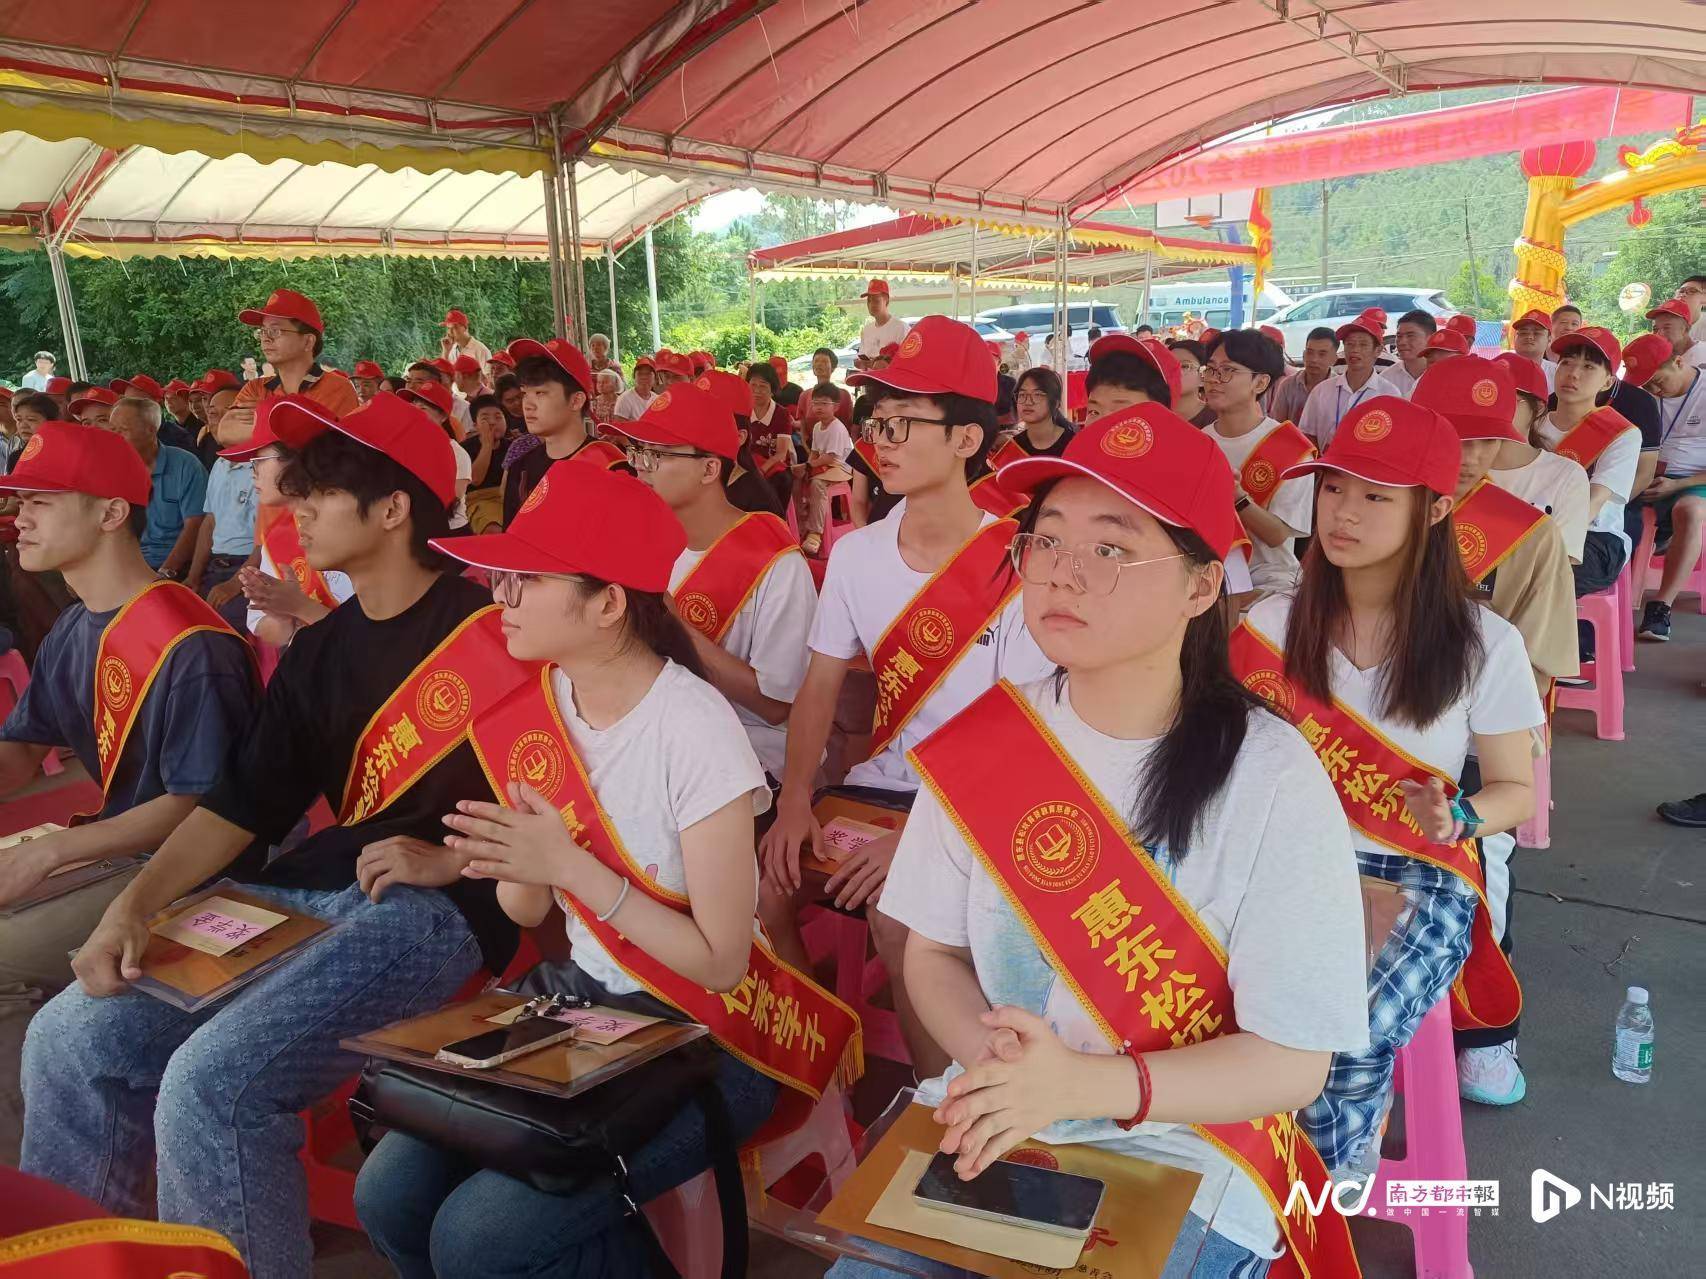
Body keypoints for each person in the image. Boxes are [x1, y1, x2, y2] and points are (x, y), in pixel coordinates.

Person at [834, 403, 1367, 1279]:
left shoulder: (1272, 777)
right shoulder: (987, 743)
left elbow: (1293, 1061)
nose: (1061, 575)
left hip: (1186, 1157)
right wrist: (1004, 1068)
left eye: (1111, 547)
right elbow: (928, 953)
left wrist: (1083, 1088)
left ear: (1202, 588)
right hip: (999, 1121)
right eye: (1045, 540)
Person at [20, 392, 526, 1279]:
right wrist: (131, 907)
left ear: (395, 508)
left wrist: (454, 857)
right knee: (69, 1035)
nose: (293, 509)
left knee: (213, 1083)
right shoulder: (322, 648)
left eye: (320, 493)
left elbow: (570, 799)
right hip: (301, 892)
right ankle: (94, 1262)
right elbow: (240, 802)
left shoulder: (493, 633)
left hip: (434, 910)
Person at [356, 462, 856, 1279]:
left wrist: (572, 869)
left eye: (525, 579)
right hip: (581, 1002)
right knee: (389, 1194)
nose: (499, 597)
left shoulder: (694, 731)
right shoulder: (538, 704)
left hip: (706, 1038)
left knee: (478, 1236)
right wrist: (514, 861)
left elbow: (724, 961)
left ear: (609, 603)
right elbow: (524, 911)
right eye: (502, 576)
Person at [1237, 394, 1540, 1168]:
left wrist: (1459, 817)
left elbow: (1517, 790)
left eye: (1376, 496)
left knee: (1344, 1023)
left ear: (1435, 509)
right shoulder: (1271, 625)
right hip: (1278, 859)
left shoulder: (1484, 643)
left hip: (1415, 868)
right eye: (1335, 486)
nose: (1343, 512)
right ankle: (1233, 1181)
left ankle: (1322, 1193)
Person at [757, 315, 1054, 1076]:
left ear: (965, 439)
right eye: (874, 421)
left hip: (973, 809)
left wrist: (923, 841)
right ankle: (815, 1077)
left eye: (901, 422)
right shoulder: (857, 554)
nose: (879, 440)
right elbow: (820, 688)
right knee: (762, 887)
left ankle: (935, 1106)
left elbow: (1020, 736)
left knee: (900, 923)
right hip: (873, 791)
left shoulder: (1017, 562)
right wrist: (795, 798)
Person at [0, 422, 256, 1166]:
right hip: (119, 851)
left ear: (112, 513)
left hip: (196, 871)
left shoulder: (191, 643)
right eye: (20, 501)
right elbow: (22, 747)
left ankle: (41, 1189)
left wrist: (50, 852)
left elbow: (197, 806)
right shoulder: (77, 624)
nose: (22, 517)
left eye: (43, 500)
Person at [623, 380, 816, 783]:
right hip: (654, 739)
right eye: (638, 452)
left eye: (658, 455)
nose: (640, 466)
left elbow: (774, 705)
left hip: (748, 753)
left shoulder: (775, 563)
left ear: (710, 468)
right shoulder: (636, 544)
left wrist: (677, 628)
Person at [1412, 358, 1579, 692]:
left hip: (1478, 705)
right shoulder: (1375, 507)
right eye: (1458, 436)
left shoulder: (1532, 537)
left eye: (1488, 439)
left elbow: (1536, 672)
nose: (1472, 456)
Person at [225, 399, 354, 648]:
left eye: (259, 460)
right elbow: (263, 625)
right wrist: (281, 616)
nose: (252, 472)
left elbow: (376, 639)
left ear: (298, 459)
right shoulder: (277, 537)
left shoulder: (355, 529)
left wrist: (300, 607)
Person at [1525, 335, 1644, 604]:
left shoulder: (1621, 434)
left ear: (1608, 381)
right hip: (1529, 528)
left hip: (1594, 538)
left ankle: (1565, 644)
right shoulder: (1533, 424)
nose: (1573, 374)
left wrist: (1545, 544)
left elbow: (1595, 500)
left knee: (1538, 580)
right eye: (1566, 363)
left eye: (1589, 367)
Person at [1203, 329, 1314, 599]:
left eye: (1228, 370)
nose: (1215, 380)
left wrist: (1238, 498)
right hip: (1209, 576)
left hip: (1269, 582)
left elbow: (1278, 535)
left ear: (1260, 383)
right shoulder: (1199, 441)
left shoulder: (1292, 449)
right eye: (1211, 370)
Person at [1629, 323, 1706, 641]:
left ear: (1678, 361)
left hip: (1692, 481)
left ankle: (1661, 606)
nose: (1655, 392)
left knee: (1689, 511)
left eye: (1658, 382)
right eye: (1648, 387)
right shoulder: (1641, 397)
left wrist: (1677, 485)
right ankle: (1607, 593)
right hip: (1648, 475)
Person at [501, 338, 629, 524]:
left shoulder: (613, 467)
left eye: (540, 393)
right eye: (524, 394)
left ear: (576, 401)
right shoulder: (521, 469)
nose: (527, 405)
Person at [1486, 354, 1591, 566]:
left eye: (1508, 399)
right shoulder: (1463, 468)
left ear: (1539, 408)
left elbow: (1560, 564)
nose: (1496, 409)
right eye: (1488, 397)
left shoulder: (1566, 475)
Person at [107, 396, 207, 578]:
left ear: (151, 430)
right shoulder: (110, 470)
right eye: (112, 429)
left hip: (175, 564)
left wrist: (165, 572)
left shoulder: (185, 465)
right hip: (128, 565)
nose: (115, 437)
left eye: (123, 430)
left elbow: (195, 525)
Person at [184, 387, 258, 628]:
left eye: (217, 414)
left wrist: (235, 583)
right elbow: (209, 522)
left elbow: (269, 540)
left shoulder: (267, 467)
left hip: (249, 569)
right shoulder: (221, 463)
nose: (210, 422)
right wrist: (193, 577)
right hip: (216, 566)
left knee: (218, 624)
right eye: (210, 414)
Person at [229, 289, 360, 425]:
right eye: (262, 331)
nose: (265, 339)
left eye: (275, 331)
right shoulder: (255, 388)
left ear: (308, 341)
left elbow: (322, 442)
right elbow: (227, 431)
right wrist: (293, 424)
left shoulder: (337, 389)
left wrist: (264, 414)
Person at [1299, 308, 1400, 447]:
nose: (1355, 350)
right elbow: (1307, 434)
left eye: (1363, 344)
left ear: (1377, 350)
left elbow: (1391, 443)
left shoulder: (1390, 395)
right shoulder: (1321, 391)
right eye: (1350, 344)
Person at [399, 381, 472, 533]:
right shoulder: (402, 446)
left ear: (443, 416)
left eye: (423, 408)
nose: (416, 413)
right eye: (414, 406)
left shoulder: (457, 453)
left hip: (449, 530)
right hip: (411, 526)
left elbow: (452, 502)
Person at [795, 383, 855, 556]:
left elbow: (830, 457)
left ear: (835, 407)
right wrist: (805, 468)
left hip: (839, 467)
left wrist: (808, 467)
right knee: (797, 478)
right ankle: (802, 520)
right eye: (815, 403)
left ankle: (815, 533)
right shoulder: (816, 427)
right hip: (823, 464)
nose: (818, 407)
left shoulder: (836, 427)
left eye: (823, 403)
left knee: (817, 484)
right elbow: (814, 452)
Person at [1270, 326, 1339, 423]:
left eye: (1322, 354)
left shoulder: (1339, 389)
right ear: (1303, 354)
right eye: (1310, 352)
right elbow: (1277, 424)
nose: (1314, 359)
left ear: (1334, 359)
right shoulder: (1288, 385)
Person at [462, 393, 508, 533]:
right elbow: (475, 479)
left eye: (498, 417)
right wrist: (487, 445)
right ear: (475, 425)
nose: (493, 422)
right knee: (493, 529)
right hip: (479, 500)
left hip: (508, 497)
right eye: (485, 418)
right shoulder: (464, 448)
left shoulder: (514, 446)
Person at [1006, 366, 1075, 457]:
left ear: (1056, 403)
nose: (1028, 402)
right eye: (1022, 395)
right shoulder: (1014, 447)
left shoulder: (1073, 444)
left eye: (1037, 395)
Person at [405, 359, 473, 437]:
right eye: (408, 380)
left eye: (419, 382)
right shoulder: (402, 413)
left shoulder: (462, 410)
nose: (411, 386)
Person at [1385, 309, 1438, 398]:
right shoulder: (1387, 378)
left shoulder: (1444, 375)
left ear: (1431, 338)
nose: (1402, 342)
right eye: (1399, 336)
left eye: (1410, 336)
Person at [856, 279, 907, 369]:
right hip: (870, 380)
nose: (872, 305)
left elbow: (906, 362)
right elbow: (863, 357)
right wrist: (861, 364)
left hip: (890, 381)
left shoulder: (900, 328)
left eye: (876, 300)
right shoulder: (866, 330)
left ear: (886, 300)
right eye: (869, 301)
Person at [795, 348, 853, 426]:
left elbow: (848, 425)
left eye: (824, 361)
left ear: (833, 367)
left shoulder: (843, 395)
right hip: (812, 438)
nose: (819, 364)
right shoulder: (804, 396)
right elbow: (803, 426)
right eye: (816, 361)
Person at [1162, 339, 1212, 427]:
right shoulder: (1152, 412)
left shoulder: (1216, 419)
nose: (1175, 370)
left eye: (1185, 366)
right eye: (1169, 364)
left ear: (1203, 375)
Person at [1648, 298, 1706, 371]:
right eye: (1655, 329)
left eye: (1667, 328)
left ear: (1685, 329)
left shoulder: (1703, 354)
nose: (1659, 334)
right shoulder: (1660, 360)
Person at [1508, 309, 1557, 391]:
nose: (1529, 337)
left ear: (1549, 339)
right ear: (1514, 337)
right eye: (1523, 333)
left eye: (1537, 333)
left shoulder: (1556, 373)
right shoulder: (1499, 368)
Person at [613, 355, 657, 420]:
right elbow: (619, 427)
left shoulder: (658, 400)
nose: (644, 377)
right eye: (640, 374)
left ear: (655, 378)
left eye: (648, 374)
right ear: (634, 377)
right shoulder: (624, 399)